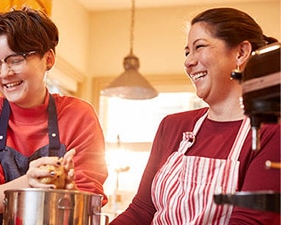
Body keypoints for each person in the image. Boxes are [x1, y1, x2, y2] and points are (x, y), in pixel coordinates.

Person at [110, 7, 280, 225]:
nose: (188, 61)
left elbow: (249, 221)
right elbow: (141, 210)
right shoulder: (172, 126)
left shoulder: (270, 132)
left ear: (240, 53)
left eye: (199, 47)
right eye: (187, 52)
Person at [0, 7, 108, 225]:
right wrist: (30, 182)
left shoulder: (79, 116)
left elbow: (90, 203)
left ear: (49, 59)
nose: (4, 73)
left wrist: (70, 194)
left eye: (15, 60)